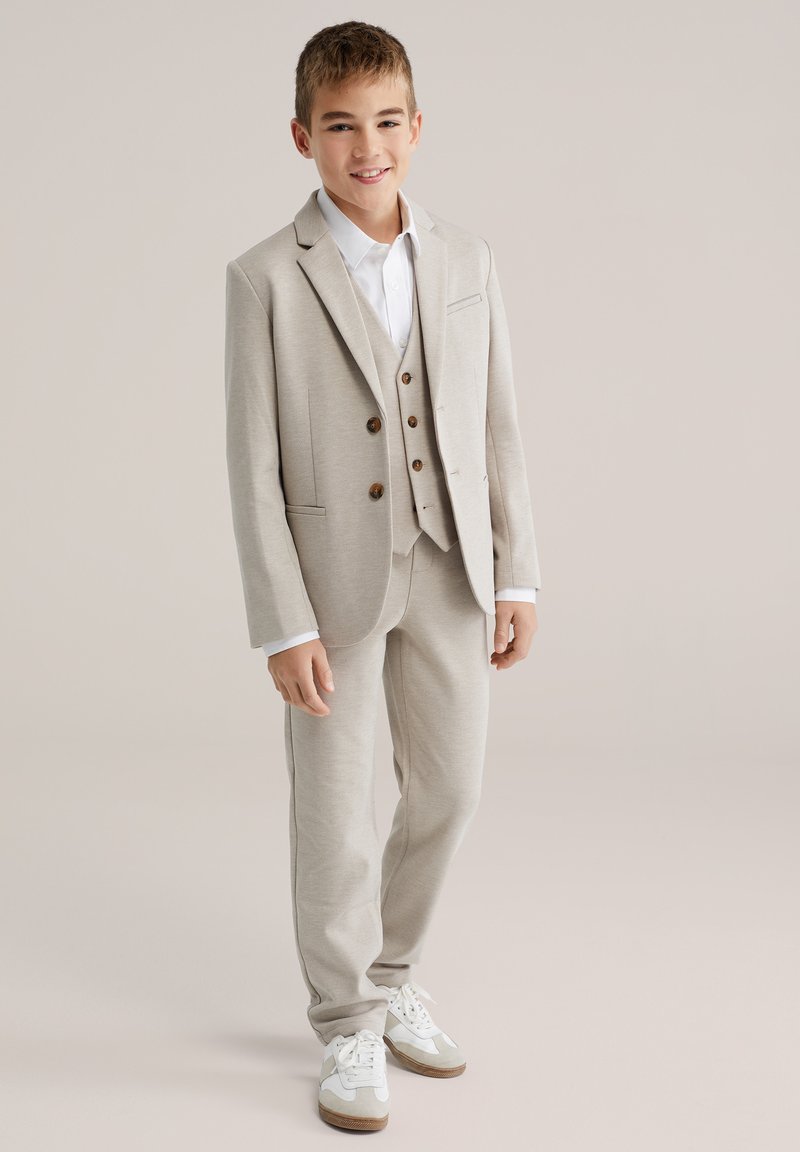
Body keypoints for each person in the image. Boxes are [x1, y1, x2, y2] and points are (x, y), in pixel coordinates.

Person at [224, 20, 542, 1133]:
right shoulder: (265, 277)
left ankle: (393, 972)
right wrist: (281, 621)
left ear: (417, 128)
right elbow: (252, 463)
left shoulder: (466, 259)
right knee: (335, 814)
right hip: (331, 586)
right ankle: (346, 1018)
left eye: (387, 123)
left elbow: (497, 421)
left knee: (449, 790)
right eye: (341, 126)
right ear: (302, 136)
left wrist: (517, 573)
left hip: (453, 566)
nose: (368, 148)